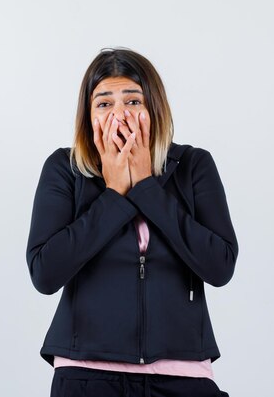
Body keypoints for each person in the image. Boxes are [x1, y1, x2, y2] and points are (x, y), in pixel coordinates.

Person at [26, 47, 238, 397]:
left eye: (133, 101)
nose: (119, 115)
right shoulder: (66, 169)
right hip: (85, 375)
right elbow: (45, 274)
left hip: (183, 375)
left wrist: (146, 189)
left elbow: (220, 266)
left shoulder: (193, 165)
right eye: (104, 103)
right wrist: (113, 193)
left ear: (153, 108)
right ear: (88, 115)